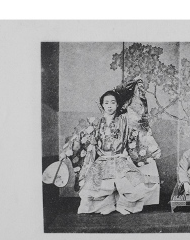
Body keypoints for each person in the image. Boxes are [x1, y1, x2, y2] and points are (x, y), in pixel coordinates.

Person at [61, 80, 161, 215]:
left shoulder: (124, 120)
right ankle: (105, 207)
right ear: (102, 105)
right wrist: (66, 151)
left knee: (133, 187)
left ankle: (124, 206)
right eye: (106, 103)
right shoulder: (95, 123)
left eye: (113, 102)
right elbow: (79, 137)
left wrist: (139, 92)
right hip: (102, 161)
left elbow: (138, 115)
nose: (109, 106)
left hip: (120, 160)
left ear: (117, 104)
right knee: (94, 190)